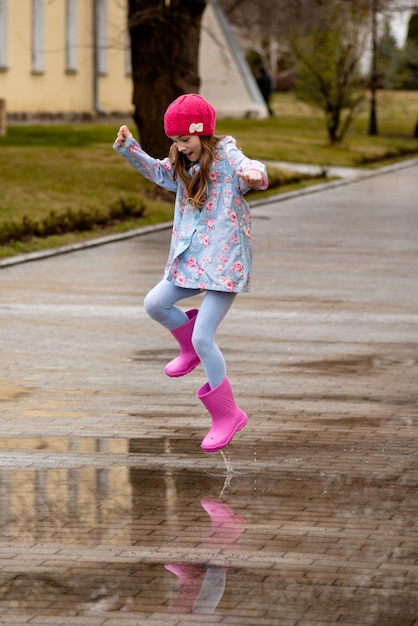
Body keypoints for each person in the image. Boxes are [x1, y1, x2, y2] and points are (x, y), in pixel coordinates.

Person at [113, 93, 268, 453]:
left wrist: (254, 175)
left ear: (203, 133)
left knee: (204, 337)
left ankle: (228, 414)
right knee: (155, 304)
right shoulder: (185, 168)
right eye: (176, 141)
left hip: (224, 267)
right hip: (192, 262)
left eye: (186, 140)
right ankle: (188, 345)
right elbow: (158, 172)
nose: (181, 148)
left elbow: (254, 168)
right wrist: (130, 148)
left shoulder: (228, 159)